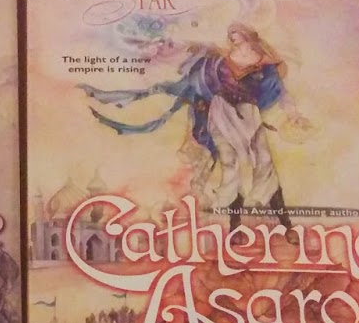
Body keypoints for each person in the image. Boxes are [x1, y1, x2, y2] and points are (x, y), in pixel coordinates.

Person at [83, 23, 306, 233]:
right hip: (221, 114)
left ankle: (286, 224)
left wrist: (293, 114)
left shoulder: (266, 66)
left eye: (237, 36)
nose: (233, 40)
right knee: (231, 166)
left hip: (249, 116)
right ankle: (235, 226)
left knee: (264, 164)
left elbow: (282, 93)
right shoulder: (218, 61)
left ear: (249, 38)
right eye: (231, 37)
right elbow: (199, 83)